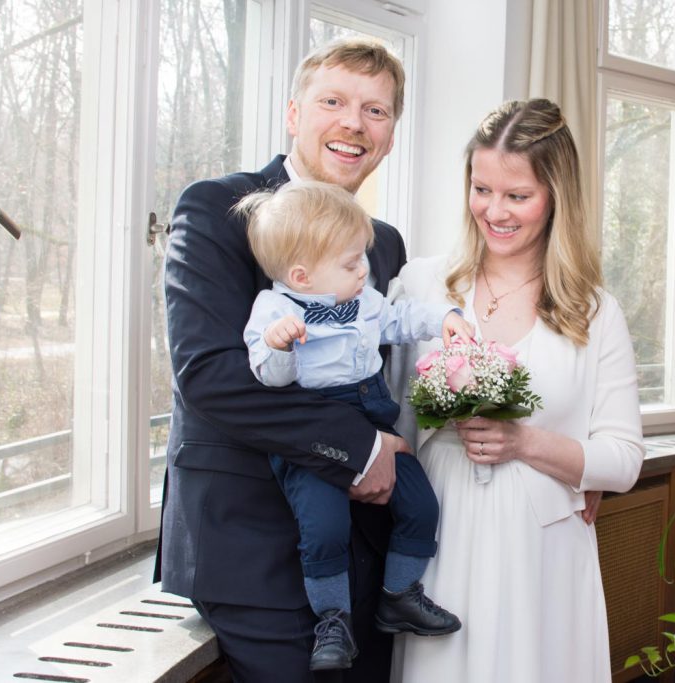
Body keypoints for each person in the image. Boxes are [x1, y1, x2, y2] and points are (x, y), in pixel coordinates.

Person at [157, 39, 411, 682]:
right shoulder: (218, 208)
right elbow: (210, 377)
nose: (354, 123)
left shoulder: (383, 245)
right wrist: (362, 448)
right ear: (294, 114)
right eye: (333, 101)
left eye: (376, 111)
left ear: (388, 137)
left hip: (363, 548)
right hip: (251, 548)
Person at [388, 98, 645, 683]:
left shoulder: (594, 312)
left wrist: (527, 443)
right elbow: (389, 419)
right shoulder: (422, 284)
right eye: (482, 189)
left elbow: (624, 459)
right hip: (437, 539)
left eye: (517, 196)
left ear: (556, 196)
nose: (494, 211)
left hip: (543, 552)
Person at [239, 179, 469, 671]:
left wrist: (444, 317)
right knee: (324, 529)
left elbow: (398, 320)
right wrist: (279, 346)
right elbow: (269, 380)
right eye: (350, 263)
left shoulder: (363, 299)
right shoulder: (275, 311)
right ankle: (332, 620)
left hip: (375, 418)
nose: (364, 269)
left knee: (422, 507)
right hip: (315, 434)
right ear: (301, 275)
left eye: (361, 257)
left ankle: (399, 593)